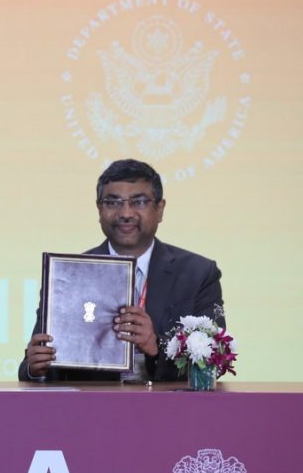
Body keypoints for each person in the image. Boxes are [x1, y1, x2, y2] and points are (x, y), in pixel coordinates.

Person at [19, 159, 224, 382]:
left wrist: (156, 348)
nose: (126, 213)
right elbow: (37, 367)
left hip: (167, 403)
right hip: (92, 402)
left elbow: (215, 361)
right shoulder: (69, 276)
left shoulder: (198, 274)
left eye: (139, 202)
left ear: (160, 209)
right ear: (99, 209)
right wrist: (35, 368)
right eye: (112, 202)